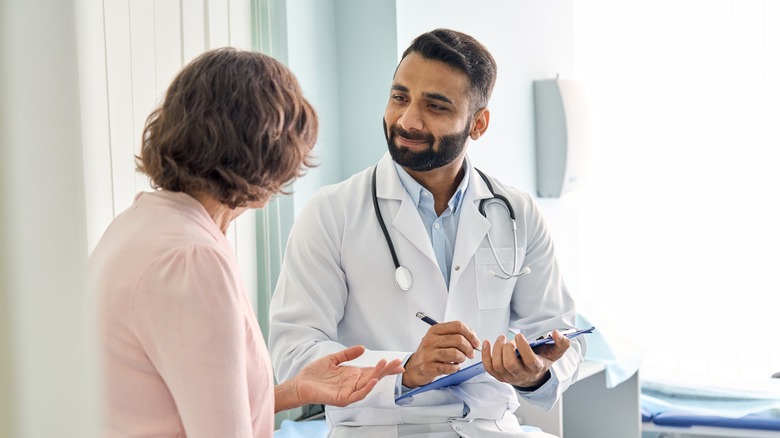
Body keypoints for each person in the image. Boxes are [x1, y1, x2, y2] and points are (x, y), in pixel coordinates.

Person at [268, 29, 584, 438]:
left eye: (435, 106)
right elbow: (295, 354)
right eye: (400, 97)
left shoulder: (517, 213)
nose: (407, 120)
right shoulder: (332, 213)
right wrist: (407, 368)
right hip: (378, 429)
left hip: (489, 428)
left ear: (478, 124)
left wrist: (535, 373)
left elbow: (562, 336)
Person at [87, 47, 404, 438]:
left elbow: (182, 406)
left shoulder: (138, 224)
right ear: (267, 153)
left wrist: (296, 390)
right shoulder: (193, 258)